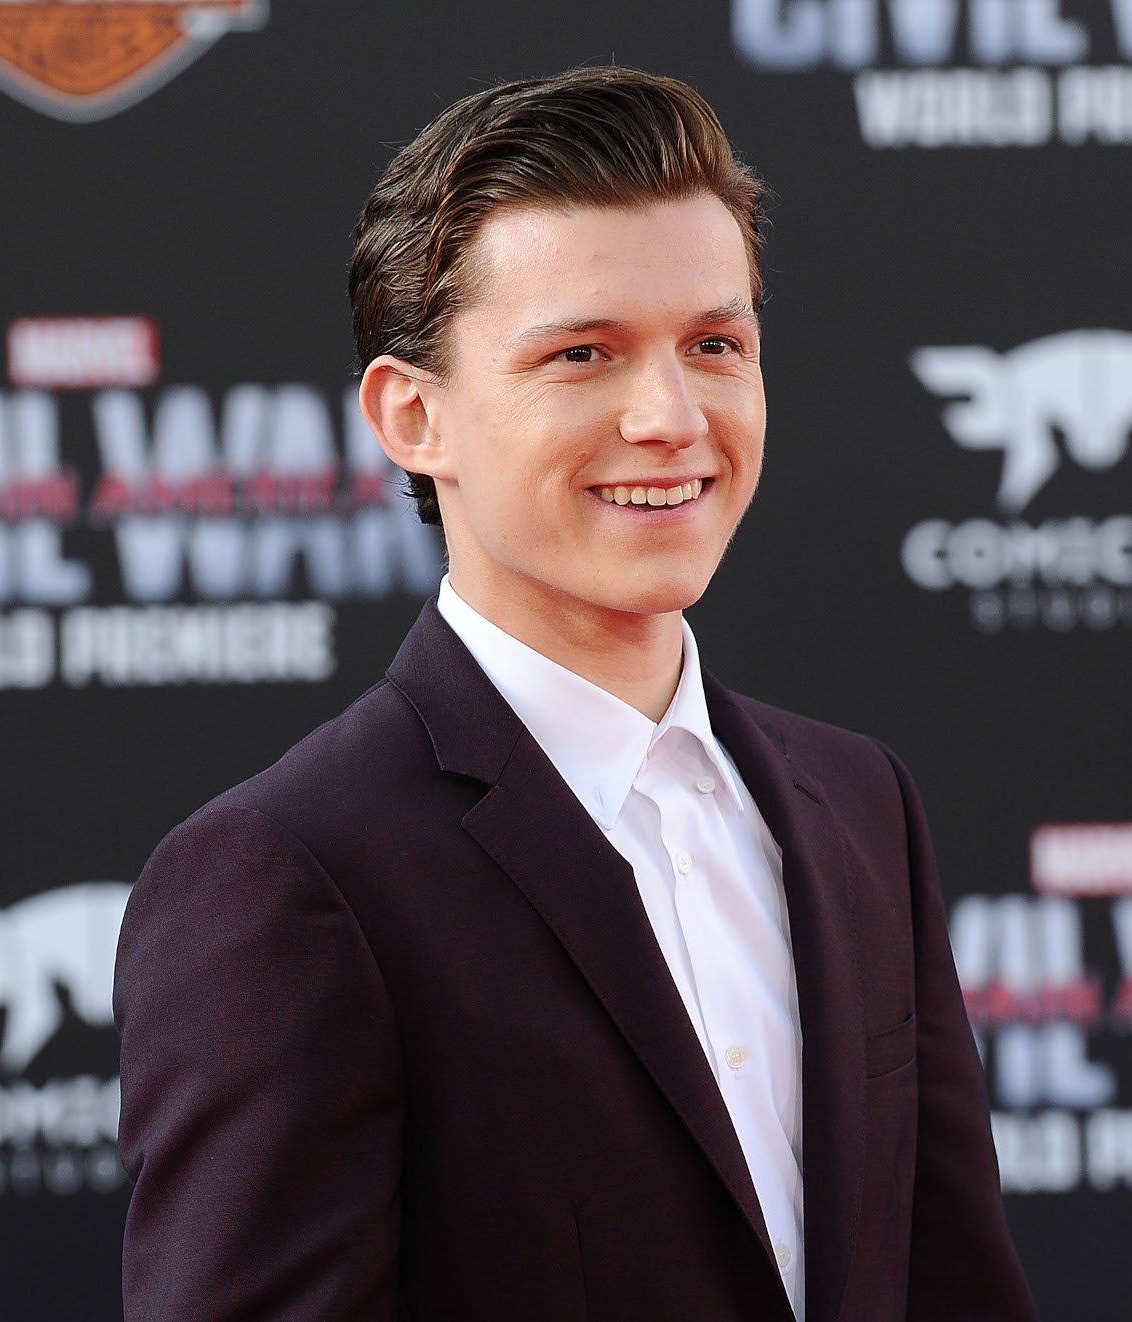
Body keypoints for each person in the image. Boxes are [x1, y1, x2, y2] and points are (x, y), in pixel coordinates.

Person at [114, 65, 1037, 1321]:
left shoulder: (855, 802)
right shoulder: (286, 874)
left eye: (714, 344)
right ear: (412, 413)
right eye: (581, 354)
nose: (668, 415)